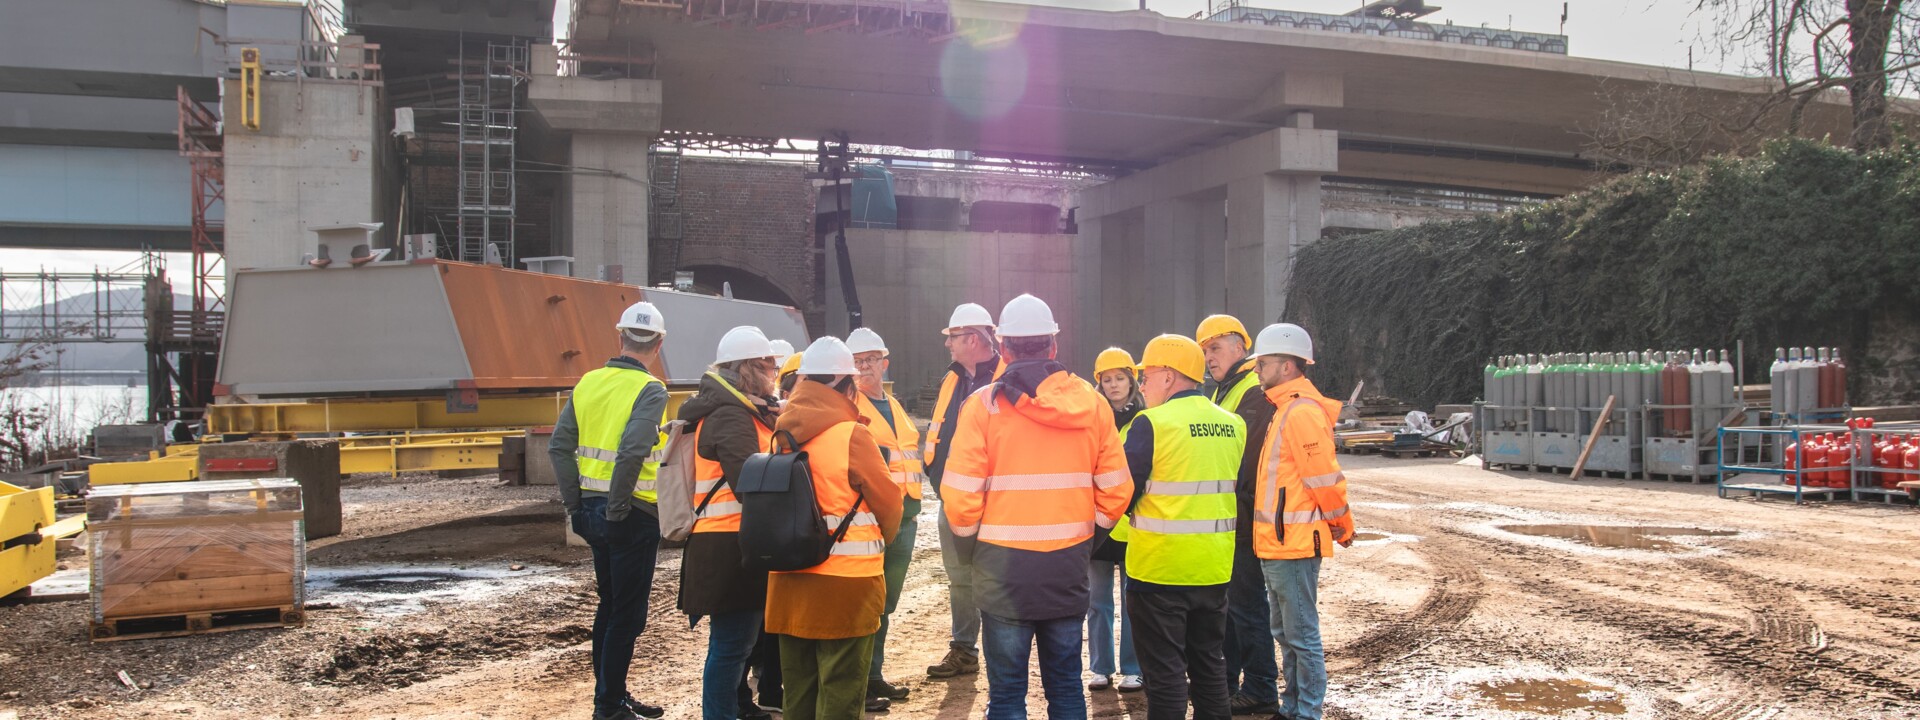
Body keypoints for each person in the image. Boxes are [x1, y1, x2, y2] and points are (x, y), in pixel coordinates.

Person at [941, 294, 1132, 720]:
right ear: (1054, 347)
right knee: (1065, 688)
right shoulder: (1093, 404)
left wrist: (971, 550)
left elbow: (959, 496)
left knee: (1007, 695)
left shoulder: (983, 407)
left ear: (1003, 348)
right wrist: (1089, 536)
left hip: (1000, 570)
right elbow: (1117, 489)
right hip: (1066, 565)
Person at [767, 337, 905, 720]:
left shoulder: (780, 433)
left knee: (799, 692)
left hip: (788, 583)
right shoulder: (852, 435)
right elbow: (890, 505)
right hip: (847, 586)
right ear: (847, 387)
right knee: (842, 692)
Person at [551, 301, 673, 720]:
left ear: (621, 337)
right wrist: (619, 510)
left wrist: (575, 506)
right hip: (632, 515)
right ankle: (608, 704)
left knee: (609, 605)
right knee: (627, 613)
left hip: (593, 511)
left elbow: (559, 447)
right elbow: (633, 451)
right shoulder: (651, 390)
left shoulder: (588, 382)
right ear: (658, 344)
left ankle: (612, 694)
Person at [1123, 335, 1245, 720]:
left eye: (1146, 375)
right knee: (1210, 666)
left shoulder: (1152, 423)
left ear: (1169, 377)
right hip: (1213, 568)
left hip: (1159, 569)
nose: (1141, 384)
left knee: (1165, 674)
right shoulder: (1233, 424)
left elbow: (1122, 492)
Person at [1247, 323, 1354, 720]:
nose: (1257, 369)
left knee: (1301, 636)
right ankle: (1292, 708)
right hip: (1279, 543)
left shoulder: (1301, 412)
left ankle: (1306, 711)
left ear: (1288, 366)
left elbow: (1324, 479)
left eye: (1264, 362)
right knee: (1287, 635)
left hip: (1293, 543)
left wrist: (1342, 523)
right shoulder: (1286, 409)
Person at [677, 326, 783, 720]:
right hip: (729, 547)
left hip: (729, 543)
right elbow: (749, 485)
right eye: (769, 365)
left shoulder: (738, 412)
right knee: (732, 645)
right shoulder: (732, 416)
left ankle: (733, 709)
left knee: (735, 643)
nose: (774, 373)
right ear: (749, 370)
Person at [1195, 314, 1282, 716]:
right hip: (1227, 516)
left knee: (1246, 606)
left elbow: (1242, 461)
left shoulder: (1251, 391)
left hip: (1243, 517)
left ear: (1239, 347)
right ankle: (1228, 683)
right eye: (1205, 351)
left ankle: (1262, 685)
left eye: (1215, 348)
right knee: (1228, 606)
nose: (1209, 357)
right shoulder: (1223, 391)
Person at [923, 302, 1005, 680]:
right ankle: (964, 650)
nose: (947, 345)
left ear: (973, 339)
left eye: (952, 337)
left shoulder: (1009, 378)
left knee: (999, 577)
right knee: (960, 577)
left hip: (999, 501)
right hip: (954, 498)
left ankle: (1004, 653)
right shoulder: (952, 379)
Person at [845, 326, 922, 711]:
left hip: (904, 518)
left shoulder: (894, 405)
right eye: (858, 362)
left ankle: (873, 676)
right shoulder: (851, 406)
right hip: (871, 519)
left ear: (884, 363)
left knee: (885, 604)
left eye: (871, 360)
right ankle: (859, 684)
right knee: (866, 604)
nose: (865, 368)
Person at [1087, 347, 1144, 693]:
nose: (1113, 385)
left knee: (1132, 602)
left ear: (1131, 380)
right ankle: (1100, 668)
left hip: (1134, 526)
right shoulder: (1092, 417)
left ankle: (1133, 669)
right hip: (1099, 523)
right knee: (1098, 602)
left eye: (1119, 378)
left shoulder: (1147, 417)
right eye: (1107, 380)